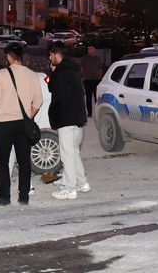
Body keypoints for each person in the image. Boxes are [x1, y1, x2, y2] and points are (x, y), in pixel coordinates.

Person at [0, 43, 42, 206]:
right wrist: (28, 116)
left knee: (2, 162)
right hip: (23, 125)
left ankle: (4, 197)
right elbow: (38, 100)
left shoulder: (2, 74)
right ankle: (24, 196)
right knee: (24, 162)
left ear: (9, 57)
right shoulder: (32, 75)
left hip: (3, 124)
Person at [47, 43, 89, 200]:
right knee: (74, 153)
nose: (49, 58)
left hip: (66, 119)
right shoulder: (73, 70)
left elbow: (55, 92)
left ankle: (70, 188)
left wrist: (55, 114)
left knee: (67, 155)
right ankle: (82, 183)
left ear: (56, 55)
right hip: (77, 119)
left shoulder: (61, 72)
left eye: (51, 55)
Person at [79, 45, 104, 117]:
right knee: (88, 97)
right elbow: (81, 68)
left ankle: (98, 112)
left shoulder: (98, 58)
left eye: (91, 49)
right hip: (87, 80)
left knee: (97, 97)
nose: (89, 50)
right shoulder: (84, 58)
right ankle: (89, 112)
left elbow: (100, 68)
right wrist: (84, 76)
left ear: (94, 50)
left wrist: (100, 77)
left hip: (97, 80)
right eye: (88, 49)